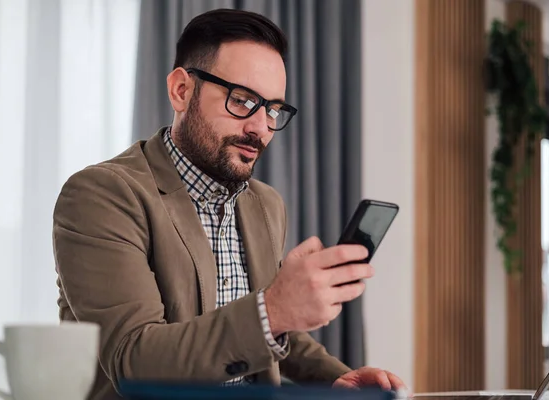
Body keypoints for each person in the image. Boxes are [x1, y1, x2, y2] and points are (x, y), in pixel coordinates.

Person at [52, 8, 407, 400]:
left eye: (272, 109)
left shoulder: (266, 204)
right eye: (242, 100)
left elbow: (270, 335)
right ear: (181, 90)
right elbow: (133, 362)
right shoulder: (101, 195)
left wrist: (335, 378)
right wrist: (273, 310)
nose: (260, 128)